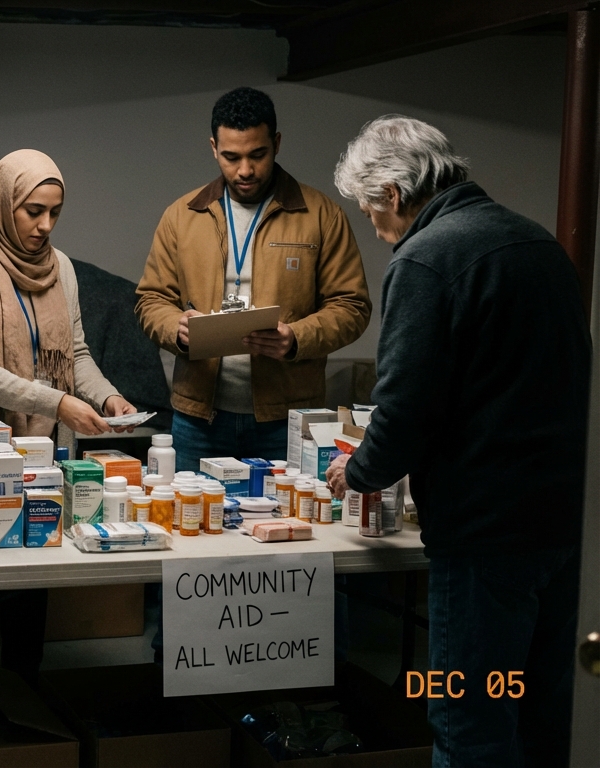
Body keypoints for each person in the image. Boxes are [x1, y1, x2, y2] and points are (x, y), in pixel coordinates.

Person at [325, 115, 589, 768]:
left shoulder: (426, 257)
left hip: (483, 538)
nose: (376, 228)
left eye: (370, 212)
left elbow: (405, 405)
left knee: (469, 719)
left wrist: (358, 471)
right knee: (538, 716)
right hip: (562, 526)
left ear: (391, 193)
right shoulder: (535, 243)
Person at [0, 149, 139, 683]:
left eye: (55, 213)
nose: (45, 226)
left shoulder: (61, 268)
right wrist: (58, 402)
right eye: (32, 211)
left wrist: (107, 397)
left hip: (45, 453)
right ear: (3, 205)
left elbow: (77, 354)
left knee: (33, 579)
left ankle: (26, 705)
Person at [135, 87, 372, 471]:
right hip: (199, 419)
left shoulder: (320, 215)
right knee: (195, 525)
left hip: (287, 419)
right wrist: (174, 327)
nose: (245, 170)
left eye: (257, 154)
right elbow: (150, 299)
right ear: (213, 147)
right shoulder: (182, 215)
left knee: (290, 525)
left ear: (276, 144)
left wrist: (296, 338)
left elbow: (352, 306)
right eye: (231, 157)